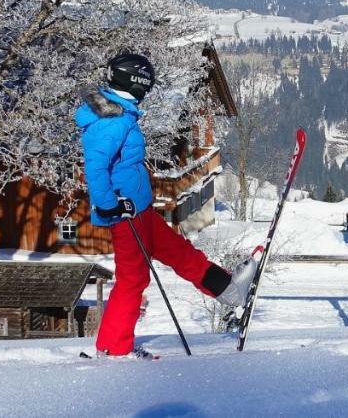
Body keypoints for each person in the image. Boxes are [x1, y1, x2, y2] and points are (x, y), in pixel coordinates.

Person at [77, 52, 253, 357]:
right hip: (126, 216)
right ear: (137, 82)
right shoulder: (112, 121)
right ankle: (113, 350)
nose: (148, 91)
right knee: (133, 278)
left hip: (140, 210)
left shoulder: (120, 114)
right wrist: (109, 206)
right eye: (147, 84)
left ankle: (228, 290)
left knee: (180, 252)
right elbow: (95, 167)